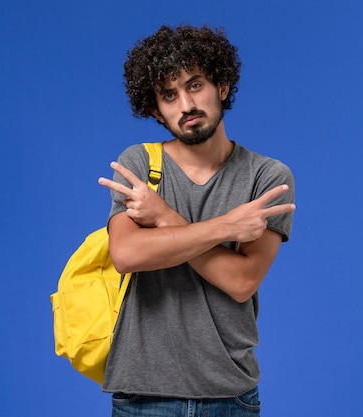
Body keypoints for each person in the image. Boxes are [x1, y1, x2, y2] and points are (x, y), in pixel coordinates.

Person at [97, 24, 295, 417]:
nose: (185, 104)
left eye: (195, 85)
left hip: (231, 396)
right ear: (155, 110)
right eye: (169, 95)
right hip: (142, 396)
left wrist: (164, 218)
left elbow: (241, 282)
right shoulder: (141, 164)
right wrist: (227, 228)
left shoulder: (267, 177)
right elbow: (127, 254)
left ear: (221, 86)